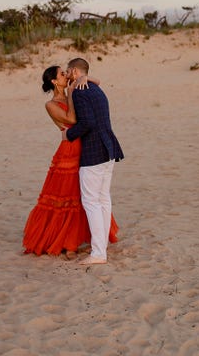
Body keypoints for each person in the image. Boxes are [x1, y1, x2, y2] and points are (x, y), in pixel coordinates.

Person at [22, 65, 118, 257]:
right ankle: (66, 242)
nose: (66, 76)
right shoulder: (51, 104)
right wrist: (73, 93)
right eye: (62, 74)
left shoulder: (73, 91)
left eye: (67, 72)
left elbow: (97, 82)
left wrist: (85, 79)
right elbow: (71, 118)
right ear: (54, 81)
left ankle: (82, 239)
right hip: (69, 149)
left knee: (82, 195)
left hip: (83, 146)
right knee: (67, 196)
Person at [62, 57, 124, 266]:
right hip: (109, 148)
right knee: (103, 199)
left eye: (68, 71)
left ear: (74, 71)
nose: (67, 75)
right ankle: (102, 245)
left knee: (91, 202)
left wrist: (68, 135)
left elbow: (87, 122)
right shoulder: (96, 89)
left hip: (94, 151)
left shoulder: (80, 91)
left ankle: (98, 253)